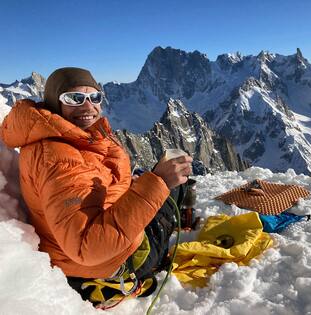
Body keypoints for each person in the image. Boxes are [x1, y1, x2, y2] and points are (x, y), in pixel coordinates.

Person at [0, 67, 192, 302]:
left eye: (94, 97)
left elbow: (84, 185)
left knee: (150, 178)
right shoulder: (58, 158)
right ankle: (160, 251)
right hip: (115, 259)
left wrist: (130, 186)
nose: (88, 107)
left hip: (91, 246)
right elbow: (87, 245)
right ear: (53, 103)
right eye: (74, 98)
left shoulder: (63, 138)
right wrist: (159, 182)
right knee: (176, 186)